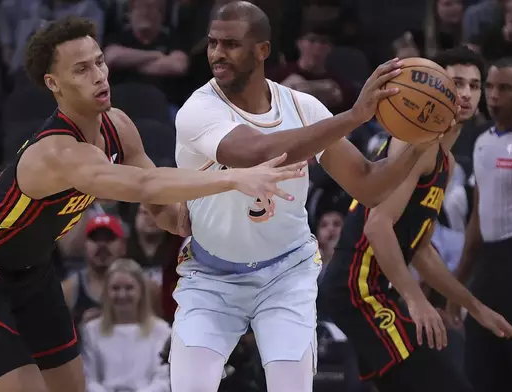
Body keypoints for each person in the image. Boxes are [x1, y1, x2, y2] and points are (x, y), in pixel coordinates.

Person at [0, 16, 309, 392]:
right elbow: (145, 181)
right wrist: (234, 178)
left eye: (99, 61)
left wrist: (201, 221)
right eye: (81, 69)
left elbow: (159, 203)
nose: (98, 75)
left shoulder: (117, 125)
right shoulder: (57, 153)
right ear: (53, 83)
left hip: (33, 269)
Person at [170, 2, 442, 392]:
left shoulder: (303, 107)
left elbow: (369, 185)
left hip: (285, 273)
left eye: (230, 44)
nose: (217, 54)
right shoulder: (198, 109)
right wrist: (353, 116)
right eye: (213, 43)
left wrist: (419, 140)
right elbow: (256, 151)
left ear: (262, 50)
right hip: (212, 275)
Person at [319, 46, 512, 392]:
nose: (466, 94)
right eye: (456, 83)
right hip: (355, 290)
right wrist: (415, 299)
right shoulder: (417, 142)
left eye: (475, 85)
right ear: (435, 87)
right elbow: (377, 226)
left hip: (372, 291)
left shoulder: (447, 160)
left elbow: (422, 250)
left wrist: (474, 306)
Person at [448, 56, 512, 392]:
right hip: (488, 267)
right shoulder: (482, 142)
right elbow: (477, 221)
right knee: (479, 370)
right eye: (490, 87)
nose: (494, 96)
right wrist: (457, 290)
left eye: (505, 88)